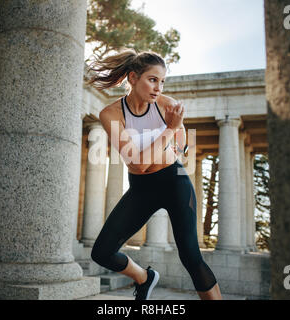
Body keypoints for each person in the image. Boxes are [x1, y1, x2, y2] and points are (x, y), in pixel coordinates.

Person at [86, 48, 222, 300]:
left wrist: (174, 140)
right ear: (133, 78)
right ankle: (144, 278)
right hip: (141, 188)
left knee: (191, 256)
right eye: (152, 79)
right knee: (102, 252)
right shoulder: (112, 114)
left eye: (162, 81)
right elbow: (137, 166)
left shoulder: (167, 105)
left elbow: (182, 145)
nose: (158, 87)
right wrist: (169, 132)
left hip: (174, 181)